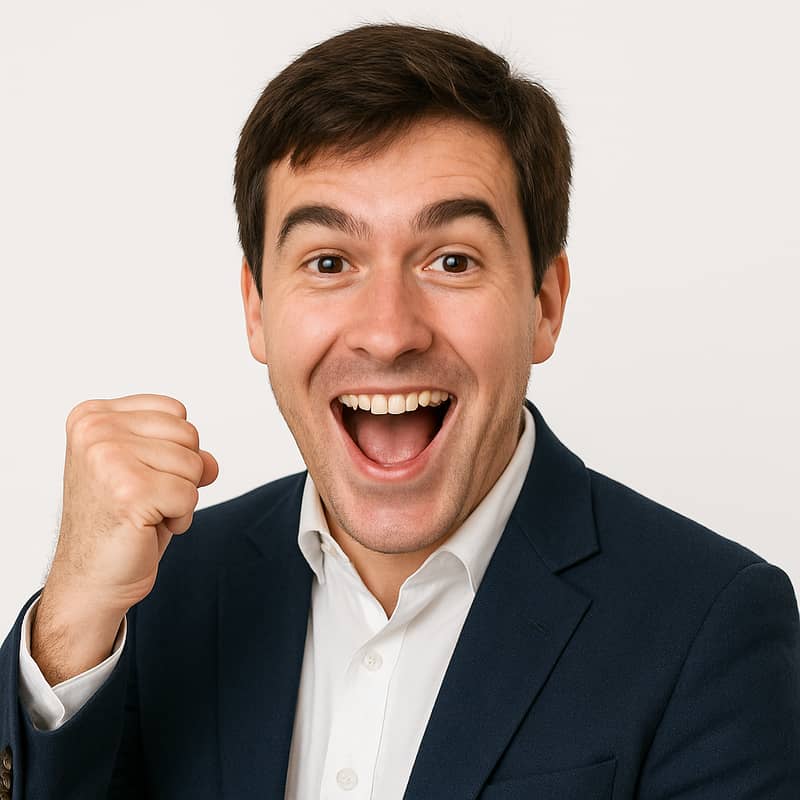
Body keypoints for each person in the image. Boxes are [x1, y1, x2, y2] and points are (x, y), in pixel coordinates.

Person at [1, 21, 798, 799]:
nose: (387, 334)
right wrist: (72, 621)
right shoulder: (153, 597)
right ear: (257, 308)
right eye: (328, 262)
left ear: (545, 304)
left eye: (452, 260)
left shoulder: (713, 627)